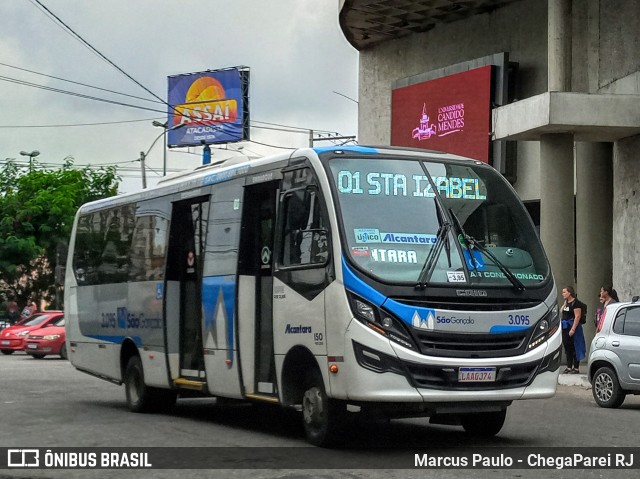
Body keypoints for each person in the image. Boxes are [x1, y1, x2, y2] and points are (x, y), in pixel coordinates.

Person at [560, 286, 587, 374]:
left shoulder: (576, 303)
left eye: (564, 292)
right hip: (565, 327)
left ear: (569, 293)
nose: (563, 294)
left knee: (575, 346)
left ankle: (576, 367)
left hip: (573, 327)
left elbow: (577, 316)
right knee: (567, 347)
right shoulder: (566, 303)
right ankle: (568, 366)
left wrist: (573, 329)